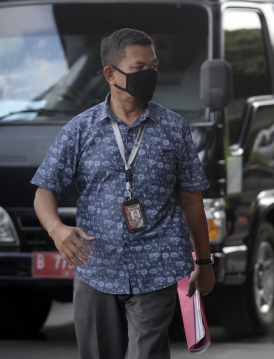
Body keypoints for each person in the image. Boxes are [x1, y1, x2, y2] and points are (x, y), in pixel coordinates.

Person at [31, 28, 215, 359]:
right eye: (139, 68)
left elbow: (192, 200)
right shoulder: (80, 129)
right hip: (95, 267)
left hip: (157, 266)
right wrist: (57, 230)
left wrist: (204, 261)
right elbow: (45, 191)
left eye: (153, 67)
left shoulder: (174, 129)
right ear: (110, 74)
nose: (150, 75)